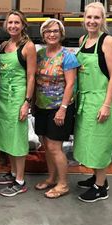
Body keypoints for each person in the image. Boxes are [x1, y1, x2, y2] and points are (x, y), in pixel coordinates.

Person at [74, 2, 112, 203]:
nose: (92, 21)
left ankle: (101, 188)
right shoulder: (83, 40)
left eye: (96, 18)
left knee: (99, 142)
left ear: (103, 20)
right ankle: (97, 177)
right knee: (88, 141)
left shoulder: (107, 41)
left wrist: (107, 104)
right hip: (85, 99)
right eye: (89, 17)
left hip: (100, 98)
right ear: (84, 19)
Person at [0, 11, 37, 197]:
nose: (13, 26)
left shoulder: (28, 47)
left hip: (18, 97)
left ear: (23, 25)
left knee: (17, 139)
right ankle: (12, 173)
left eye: (16, 23)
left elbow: (31, 76)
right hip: (3, 97)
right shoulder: (4, 45)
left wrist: (26, 103)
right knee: (7, 137)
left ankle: (20, 181)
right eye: (10, 22)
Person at [33, 19, 80, 199]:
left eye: (55, 31)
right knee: (46, 145)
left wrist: (63, 109)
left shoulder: (68, 56)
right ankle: (52, 178)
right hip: (41, 106)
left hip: (59, 107)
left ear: (61, 34)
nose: (51, 34)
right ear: (43, 35)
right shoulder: (40, 54)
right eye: (47, 31)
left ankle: (63, 184)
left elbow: (70, 85)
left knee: (55, 147)